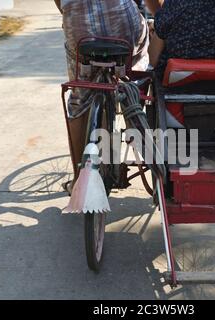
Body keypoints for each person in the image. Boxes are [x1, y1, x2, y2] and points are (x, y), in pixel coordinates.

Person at [54, 0, 162, 190]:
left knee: (79, 96)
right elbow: (153, 4)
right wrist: (161, 16)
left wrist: (69, 13)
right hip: (121, 21)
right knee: (141, 55)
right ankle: (132, 101)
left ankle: (79, 180)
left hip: (78, 25)